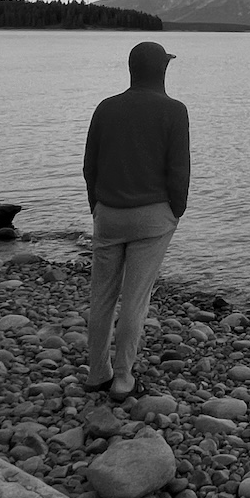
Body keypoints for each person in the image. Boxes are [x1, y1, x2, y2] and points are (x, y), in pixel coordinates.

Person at [81, 40, 190, 402]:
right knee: (135, 300)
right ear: (162, 69)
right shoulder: (174, 111)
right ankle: (124, 378)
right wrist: (176, 211)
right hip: (152, 218)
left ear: (132, 69)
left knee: (102, 296)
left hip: (108, 215)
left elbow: (89, 167)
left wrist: (96, 207)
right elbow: (178, 173)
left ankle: (97, 373)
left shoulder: (106, 108)